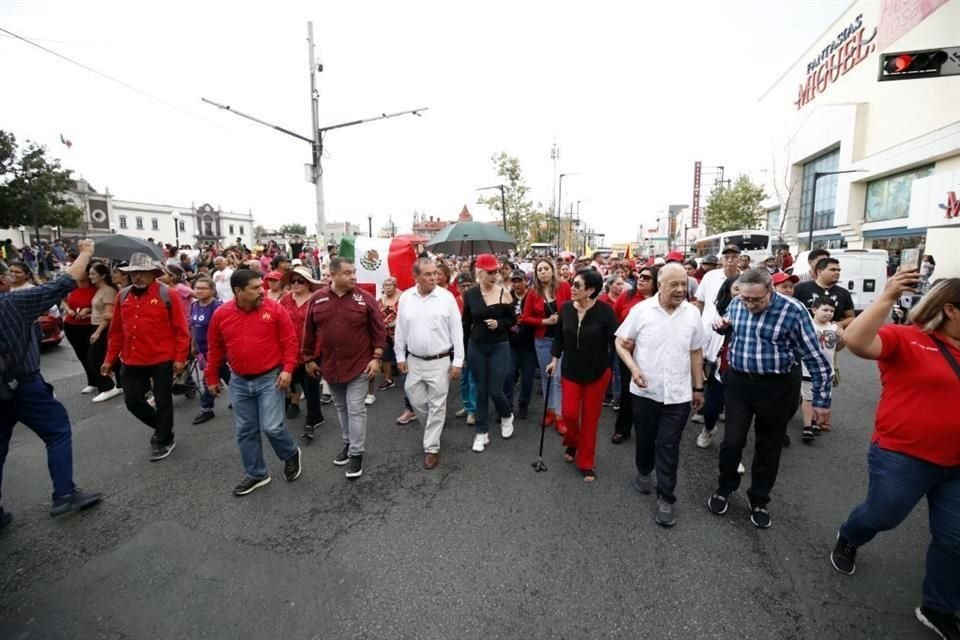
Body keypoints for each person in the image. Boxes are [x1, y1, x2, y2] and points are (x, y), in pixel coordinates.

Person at [830, 273, 960, 639]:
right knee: (883, 515)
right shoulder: (908, 339)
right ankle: (850, 535)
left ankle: (938, 608)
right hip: (903, 456)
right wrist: (887, 296)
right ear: (950, 309)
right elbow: (855, 340)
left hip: (956, 465)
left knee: (955, 539)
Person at [706, 268, 832, 529]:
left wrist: (821, 401)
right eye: (745, 299)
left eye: (757, 300)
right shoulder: (738, 302)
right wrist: (722, 325)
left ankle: (759, 499)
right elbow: (730, 324)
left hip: (776, 387)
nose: (750, 304)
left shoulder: (793, 311)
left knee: (768, 445)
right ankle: (725, 487)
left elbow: (815, 358)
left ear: (770, 291)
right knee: (732, 442)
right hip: (739, 383)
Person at [0, 238, 103, 528]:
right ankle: (65, 493)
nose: (10, 277)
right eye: (6, 274)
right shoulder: (11, 304)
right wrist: (85, 254)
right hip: (23, 384)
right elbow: (62, 284)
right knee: (57, 432)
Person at [616, 264, 705, 526]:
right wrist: (633, 368)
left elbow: (696, 351)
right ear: (660, 284)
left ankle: (666, 497)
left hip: (677, 394)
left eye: (684, 284)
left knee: (668, 445)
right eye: (674, 284)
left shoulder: (692, 314)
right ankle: (643, 470)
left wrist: (698, 386)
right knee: (645, 438)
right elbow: (620, 342)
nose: (680, 289)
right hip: (645, 391)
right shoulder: (641, 311)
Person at [205, 268, 302, 496]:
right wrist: (211, 377)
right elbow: (215, 348)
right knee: (245, 430)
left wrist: (288, 370)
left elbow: (290, 342)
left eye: (262, 286)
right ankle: (257, 474)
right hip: (239, 381)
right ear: (238, 291)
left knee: (272, 426)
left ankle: (290, 454)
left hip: (271, 378)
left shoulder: (275, 310)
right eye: (256, 288)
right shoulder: (221, 314)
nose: (263, 291)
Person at [102, 252, 191, 462]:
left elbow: (181, 330)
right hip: (132, 359)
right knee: (132, 401)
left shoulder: (168, 294)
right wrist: (108, 359)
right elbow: (116, 332)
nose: (138, 277)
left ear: (153, 274)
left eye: (142, 273)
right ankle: (163, 428)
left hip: (161, 358)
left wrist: (180, 358)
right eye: (134, 273)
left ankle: (163, 438)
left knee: (163, 401)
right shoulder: (122, 296)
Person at [303, 257, 386, 479]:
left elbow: (379, 331)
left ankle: (357, 453)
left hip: (359, 364)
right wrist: (308, 358)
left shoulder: (365, 299)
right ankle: (348, 444)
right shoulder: (317, 299)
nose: (353, 276)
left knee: (355, 408)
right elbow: (309, 331)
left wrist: (376, 357)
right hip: (330, 365)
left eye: (354, 272)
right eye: (348, 273)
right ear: (333, 275)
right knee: (341, 407)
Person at [546, 268, 617, 482]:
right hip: (571, 370)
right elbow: (558, 337)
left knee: (590, 420)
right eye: (572, 284)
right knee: (568, 414)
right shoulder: (566, 309)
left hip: (597, 373)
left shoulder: (605, 312)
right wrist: (554, 359)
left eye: (577, 285)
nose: (572, 288)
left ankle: (586, 462)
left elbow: (616, 341)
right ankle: (573, 441)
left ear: (591, 290)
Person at [394, 258, 463, 469]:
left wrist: (458, 361)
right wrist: (400, 356)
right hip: (414, 361)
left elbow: (456, 331)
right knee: (417, 400)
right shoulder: (406, 297)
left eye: (435, 273)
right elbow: (400, 329)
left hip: (440, 361)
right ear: (416, 277)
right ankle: (433, 429)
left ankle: (431, 448)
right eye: (428, 274)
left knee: (437, 404)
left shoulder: (446, 297)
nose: (434, 277)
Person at [462, 253, 516, 453]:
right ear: (480, 272)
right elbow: (466, 323)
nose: (494, 275)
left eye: (496, 271)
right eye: (490, 272)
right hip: (476, 345)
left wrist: (499, 323)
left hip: (499, 346)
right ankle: (481, 432)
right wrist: (463, 352)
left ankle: (507, 415)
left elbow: (513, 321)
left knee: (495, 390)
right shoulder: (470, 294)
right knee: (481, 390)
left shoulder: (504, 293)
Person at [521, 258, 571, 434]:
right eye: (539, 269)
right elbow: (524, 318)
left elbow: (574, 307)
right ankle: (549, 410)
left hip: (562, 340)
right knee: (546, 376)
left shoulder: (564, 287)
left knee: (558, 377)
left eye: (546, 268)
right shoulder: (533, 292)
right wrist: (545, 321)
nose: (542, 272)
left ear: (552, 270)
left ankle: (559, 415)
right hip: (542, 340)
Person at [610, 265, 658, 443]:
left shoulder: (661, 301)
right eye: (640, 276)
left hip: (652, 356)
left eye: (647, 277)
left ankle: (647, 431)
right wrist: (621, 338)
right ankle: (622, 429)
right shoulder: (627, 296)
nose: (641, 279)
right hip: (627, 354)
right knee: (627, 391)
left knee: (648, 392)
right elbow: (612, 318)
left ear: (656, 283)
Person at [278, 265, 325, 439]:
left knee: (310, 386)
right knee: (292, 383)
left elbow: (321, 329)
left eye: (300, 281)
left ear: (308, 283)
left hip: (311, 351)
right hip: (289, 351)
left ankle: (313, 419)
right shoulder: (284, 300)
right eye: (293, 281)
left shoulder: (316, 300)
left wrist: (311, 357)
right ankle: (296, 406)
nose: (296, 284)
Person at [695, 276, 739, 450]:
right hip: (719, 368)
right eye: (736, 289)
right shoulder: (717, 311)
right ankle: (708, 429)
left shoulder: (757, 312)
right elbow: (708, 334)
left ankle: (733, 453)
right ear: (727, 290)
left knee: (737, 416)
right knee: (712, 408)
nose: (741, 293)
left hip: (743, 373)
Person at [189, 276, 229, 425]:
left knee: (209, 377)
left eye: (203, 288)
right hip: (202, 349)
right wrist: (193, 344)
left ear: (212, 290)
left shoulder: (217, 307)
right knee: (226, 375)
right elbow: (193, 326)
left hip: (216, 351)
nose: (199, 291)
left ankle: (207, 408)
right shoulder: (195, 305)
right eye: (197, 288)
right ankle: (242, 396)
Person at [86, 263, 122, 403]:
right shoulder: (98, 290)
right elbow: (99, 311)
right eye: (90, 273)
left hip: (102, 327)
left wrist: (98, 332)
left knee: (93, 358)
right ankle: (119, 383)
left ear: (103, 275)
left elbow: (108, 314)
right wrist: (87, 313)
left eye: (93, 274)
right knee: (108, 357)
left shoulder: (108, 291)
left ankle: (107, 386)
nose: (90, 277)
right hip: (95, 325)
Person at [62, 265, 99, 395]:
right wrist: (68, 310)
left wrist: (88, 311)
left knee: (93, 355)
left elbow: (102, 307)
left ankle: (103, 381)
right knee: (82, 355)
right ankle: (92, 382)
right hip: (71, 325)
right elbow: (64, 301)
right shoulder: (71, 287)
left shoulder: (96, 288)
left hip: (90, 325)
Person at [504, 269, 536, 419]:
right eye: (514, 281)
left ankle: (523, 405)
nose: (516, 284)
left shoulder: (533, 296)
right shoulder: (507, 297)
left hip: (530, 345)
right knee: (508, 375)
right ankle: (507, 406)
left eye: (519, 281)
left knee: (528, 377)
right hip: (511, 345)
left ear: (526, 281)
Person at [793, 257, 855, 328]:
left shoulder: (844, 293)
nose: (837, 273)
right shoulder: (801, 288)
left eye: (838, 270)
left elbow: (851, 317)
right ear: (819, 272)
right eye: (833, 270)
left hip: (832, 335)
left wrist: (840, 324)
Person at [453, 272, 478, 426]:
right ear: (457, 287)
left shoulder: (477, 300)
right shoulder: (453, 302)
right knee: (463, 379)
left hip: (474, 343)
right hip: (458, 345)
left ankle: (472, 410)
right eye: (463, 286)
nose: (466, 288)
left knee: (472, 378)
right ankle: (466, 404)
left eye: (469, 285)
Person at [375, 277, 401, 392]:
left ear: (395, 287)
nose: (388, 287)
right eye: (386, 285)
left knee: (403, 355)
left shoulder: (402, 298)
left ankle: (409, 379)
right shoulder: (380, 300)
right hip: (384, 333)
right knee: (386, 356)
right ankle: (388, 379)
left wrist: (394, 323)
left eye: (390, 285)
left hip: (399, 334)